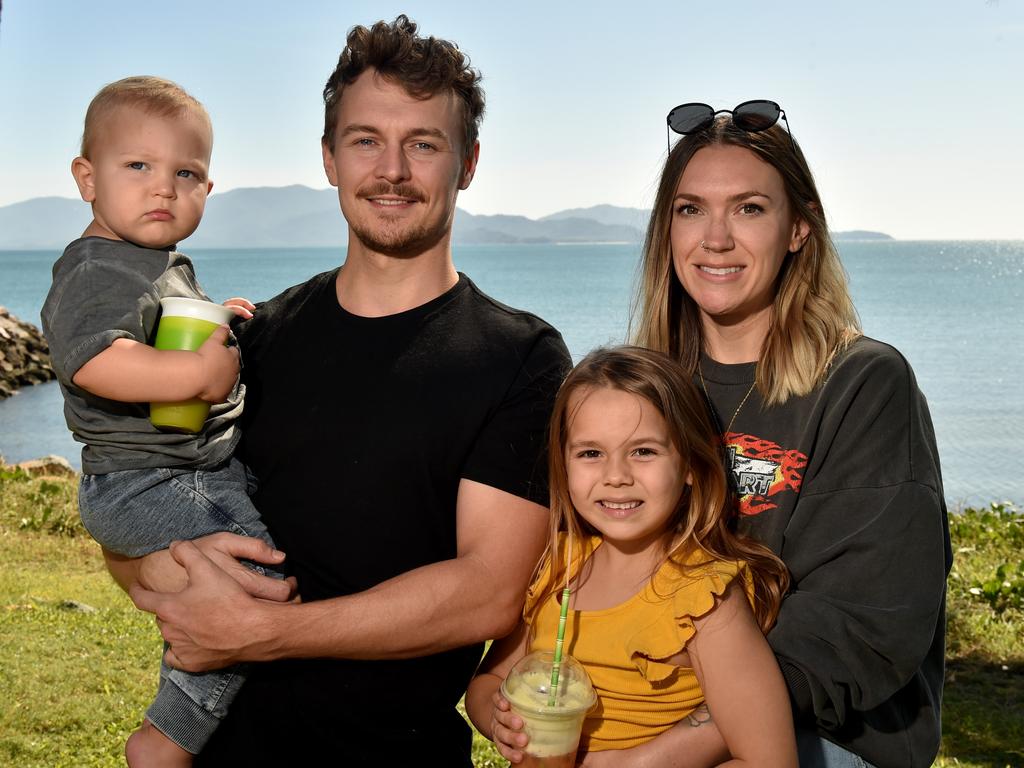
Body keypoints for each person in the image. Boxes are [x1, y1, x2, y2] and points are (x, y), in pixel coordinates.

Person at [123, 16, 571, 766]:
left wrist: (265, 631)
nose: (391, 170)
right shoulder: (247, 341)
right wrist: (167, 578)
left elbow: (487, 591)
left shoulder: (522, 358)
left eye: (423, 144)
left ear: (467, 164)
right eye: (365, 140)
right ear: (329, 159)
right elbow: (137, 500)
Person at [625, 101, 952, 767]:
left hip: (826, 737)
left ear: (799, 227)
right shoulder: (646, 393)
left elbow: (861, 626)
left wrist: (678, 746)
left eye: (749, 208)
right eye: (690, 209)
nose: (714, 238)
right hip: (666, 718)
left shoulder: (863, 383)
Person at [40, 76, 285, 766]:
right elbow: (95, 359)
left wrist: (218, 317)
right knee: (255, 591)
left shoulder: (147, 262)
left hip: (178, 473)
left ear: (208, 190)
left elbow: (157, 324)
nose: (163, 188)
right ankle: (168, 737)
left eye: (187, 173)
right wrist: (193, 377)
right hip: (151, 481)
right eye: (138, 166)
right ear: (87, 178)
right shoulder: (94, 268)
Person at [467, 346, 798, 767]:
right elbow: (490, 681)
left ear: (692, 465)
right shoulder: (556, 567)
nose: (617, 476)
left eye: (643, 451)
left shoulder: (703, 597)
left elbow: (769, 760)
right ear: (563, 466)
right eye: (590, 453)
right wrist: (498, 723)